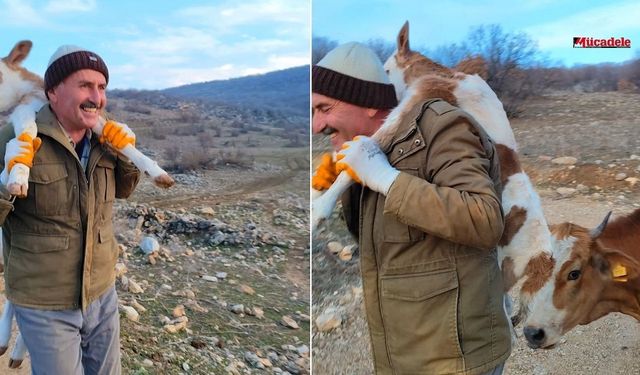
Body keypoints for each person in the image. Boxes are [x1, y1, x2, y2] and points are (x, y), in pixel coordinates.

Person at [312, 42, 511, 375]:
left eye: (324, 108)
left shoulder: (440, 127)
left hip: (458, 362)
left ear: (369, 104)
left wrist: (386, 180)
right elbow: (380, 245)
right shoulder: (371, 152)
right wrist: (346, 184)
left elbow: (485, 219)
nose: (316, 125)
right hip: (406, 357)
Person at [0, 45, 140, 374]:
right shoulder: (12, 137)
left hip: (101, 293)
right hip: (44, 302)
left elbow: (123, 190)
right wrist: (8, 175)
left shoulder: (103, 137)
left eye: (102, 87)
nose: (97, 97)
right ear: (53, 91)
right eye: (84, 86)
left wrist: (127, 152)